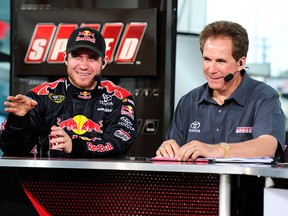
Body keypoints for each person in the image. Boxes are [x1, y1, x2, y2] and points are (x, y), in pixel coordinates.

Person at [156, 20, 286, 161]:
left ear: (241, 63)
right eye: (207, 59)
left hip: (244, 183)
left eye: (220, 61)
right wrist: (168, 148)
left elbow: (267, 146)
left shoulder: (264, 97)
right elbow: (174, 149)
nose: (211, 70)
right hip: (196, 183)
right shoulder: (188, 101)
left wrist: (216, 150)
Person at [0, 26, 138, 158]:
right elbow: (11, 149)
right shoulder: (41, 96)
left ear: (104, 62)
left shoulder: (120, 98)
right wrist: (18, 121)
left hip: (102, 181)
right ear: (66, 58)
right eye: (77, 56)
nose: (84, 66)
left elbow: (120, 142)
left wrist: (75, 146)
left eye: (92, 58)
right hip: (48, 181)